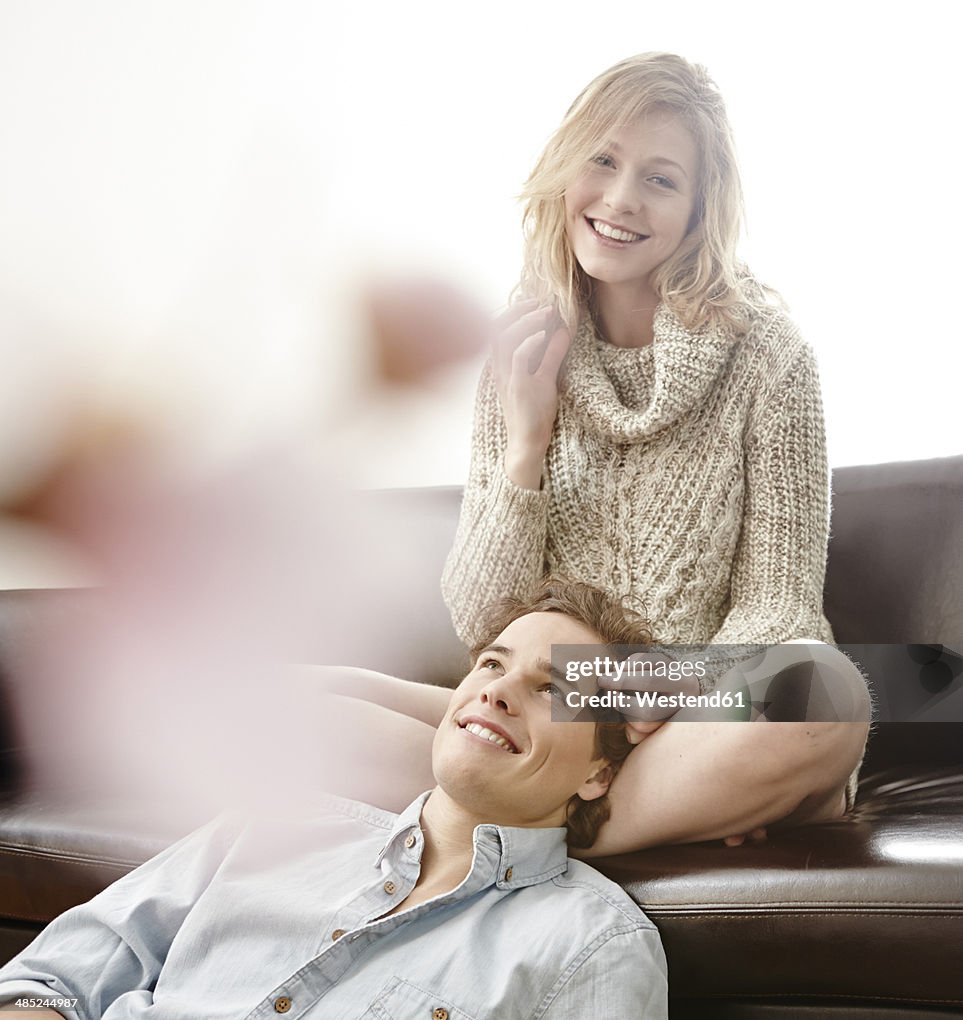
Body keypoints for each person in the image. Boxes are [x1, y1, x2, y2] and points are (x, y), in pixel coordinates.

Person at [310, 51, 871, 855]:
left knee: (824, 690)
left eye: (660, 179)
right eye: (601, 160)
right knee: (285, 705)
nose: (618, 199)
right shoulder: (522, 344)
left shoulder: (769, 355)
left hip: (692, 717)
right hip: (544, 712)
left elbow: (776, 606)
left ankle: (534, 823)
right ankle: (592, 815)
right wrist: (526, 444)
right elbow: (479, 622)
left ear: (697, 209)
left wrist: (649, 695)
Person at [0, 580, 668, 1020]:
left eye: (550, 690)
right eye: (490, 665)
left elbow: (772, 691)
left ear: (598, 773)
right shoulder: (271, 825)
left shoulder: (594, 944)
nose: (495, 692)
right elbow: (48, 980)